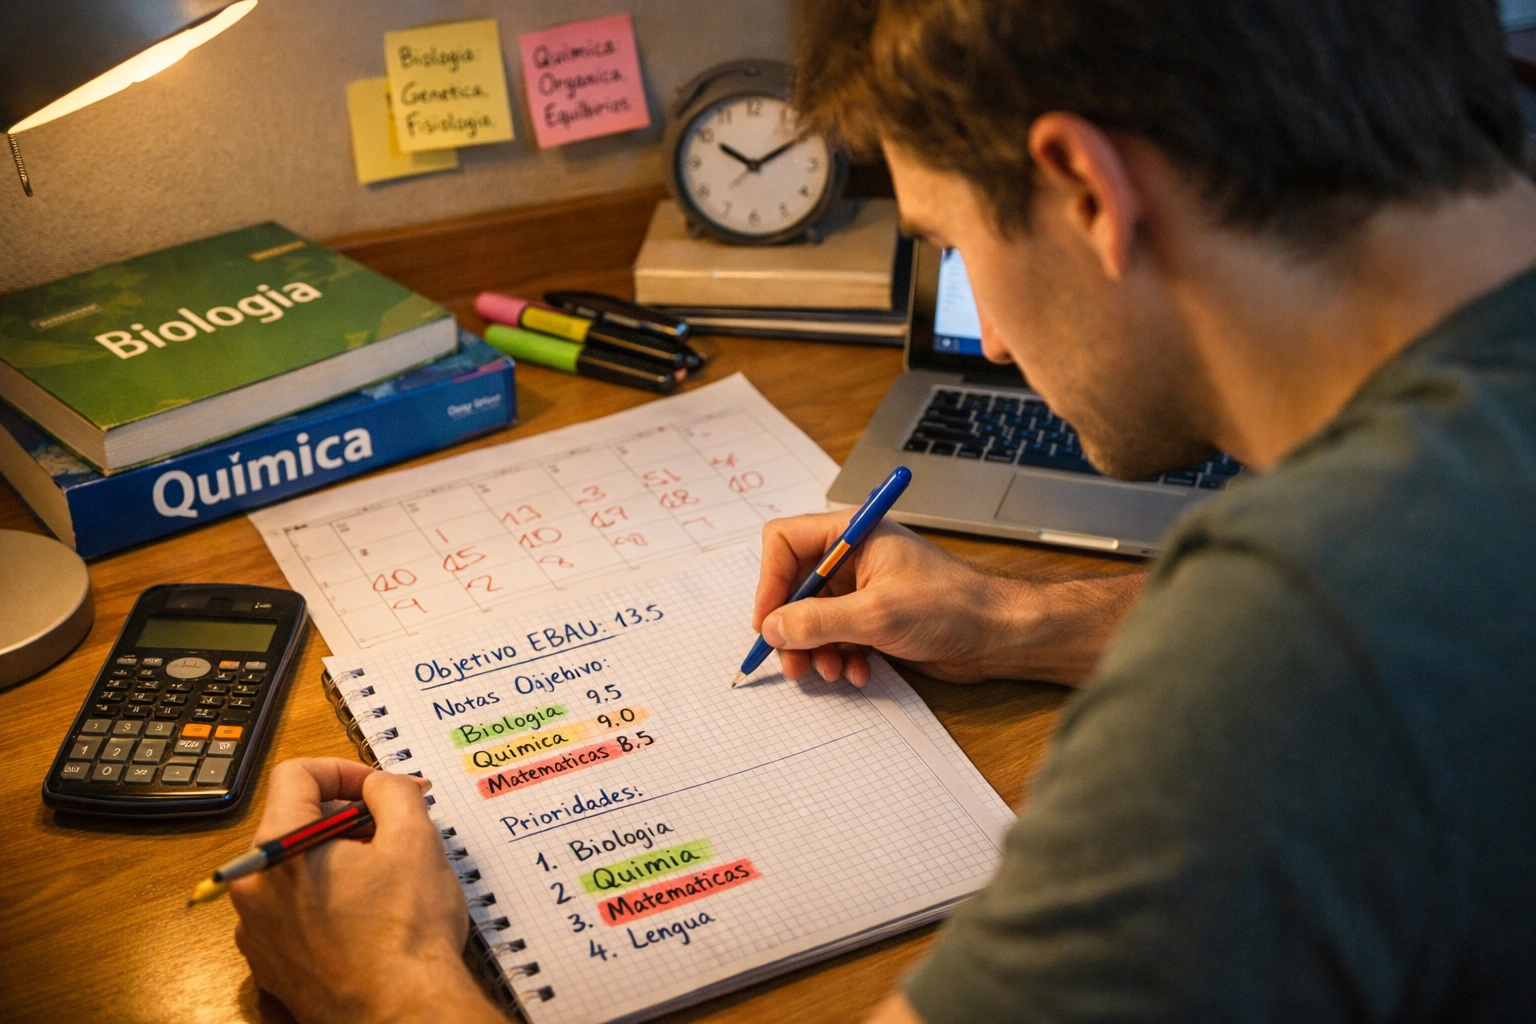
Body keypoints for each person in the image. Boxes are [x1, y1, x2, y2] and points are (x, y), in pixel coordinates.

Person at [231, 0, 1536, 1020]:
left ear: (1088, 188)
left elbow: (1334, 653)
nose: (988, 322)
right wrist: (1022, 617)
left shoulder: (1283, 667)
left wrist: (382, 985)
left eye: (951, 242)